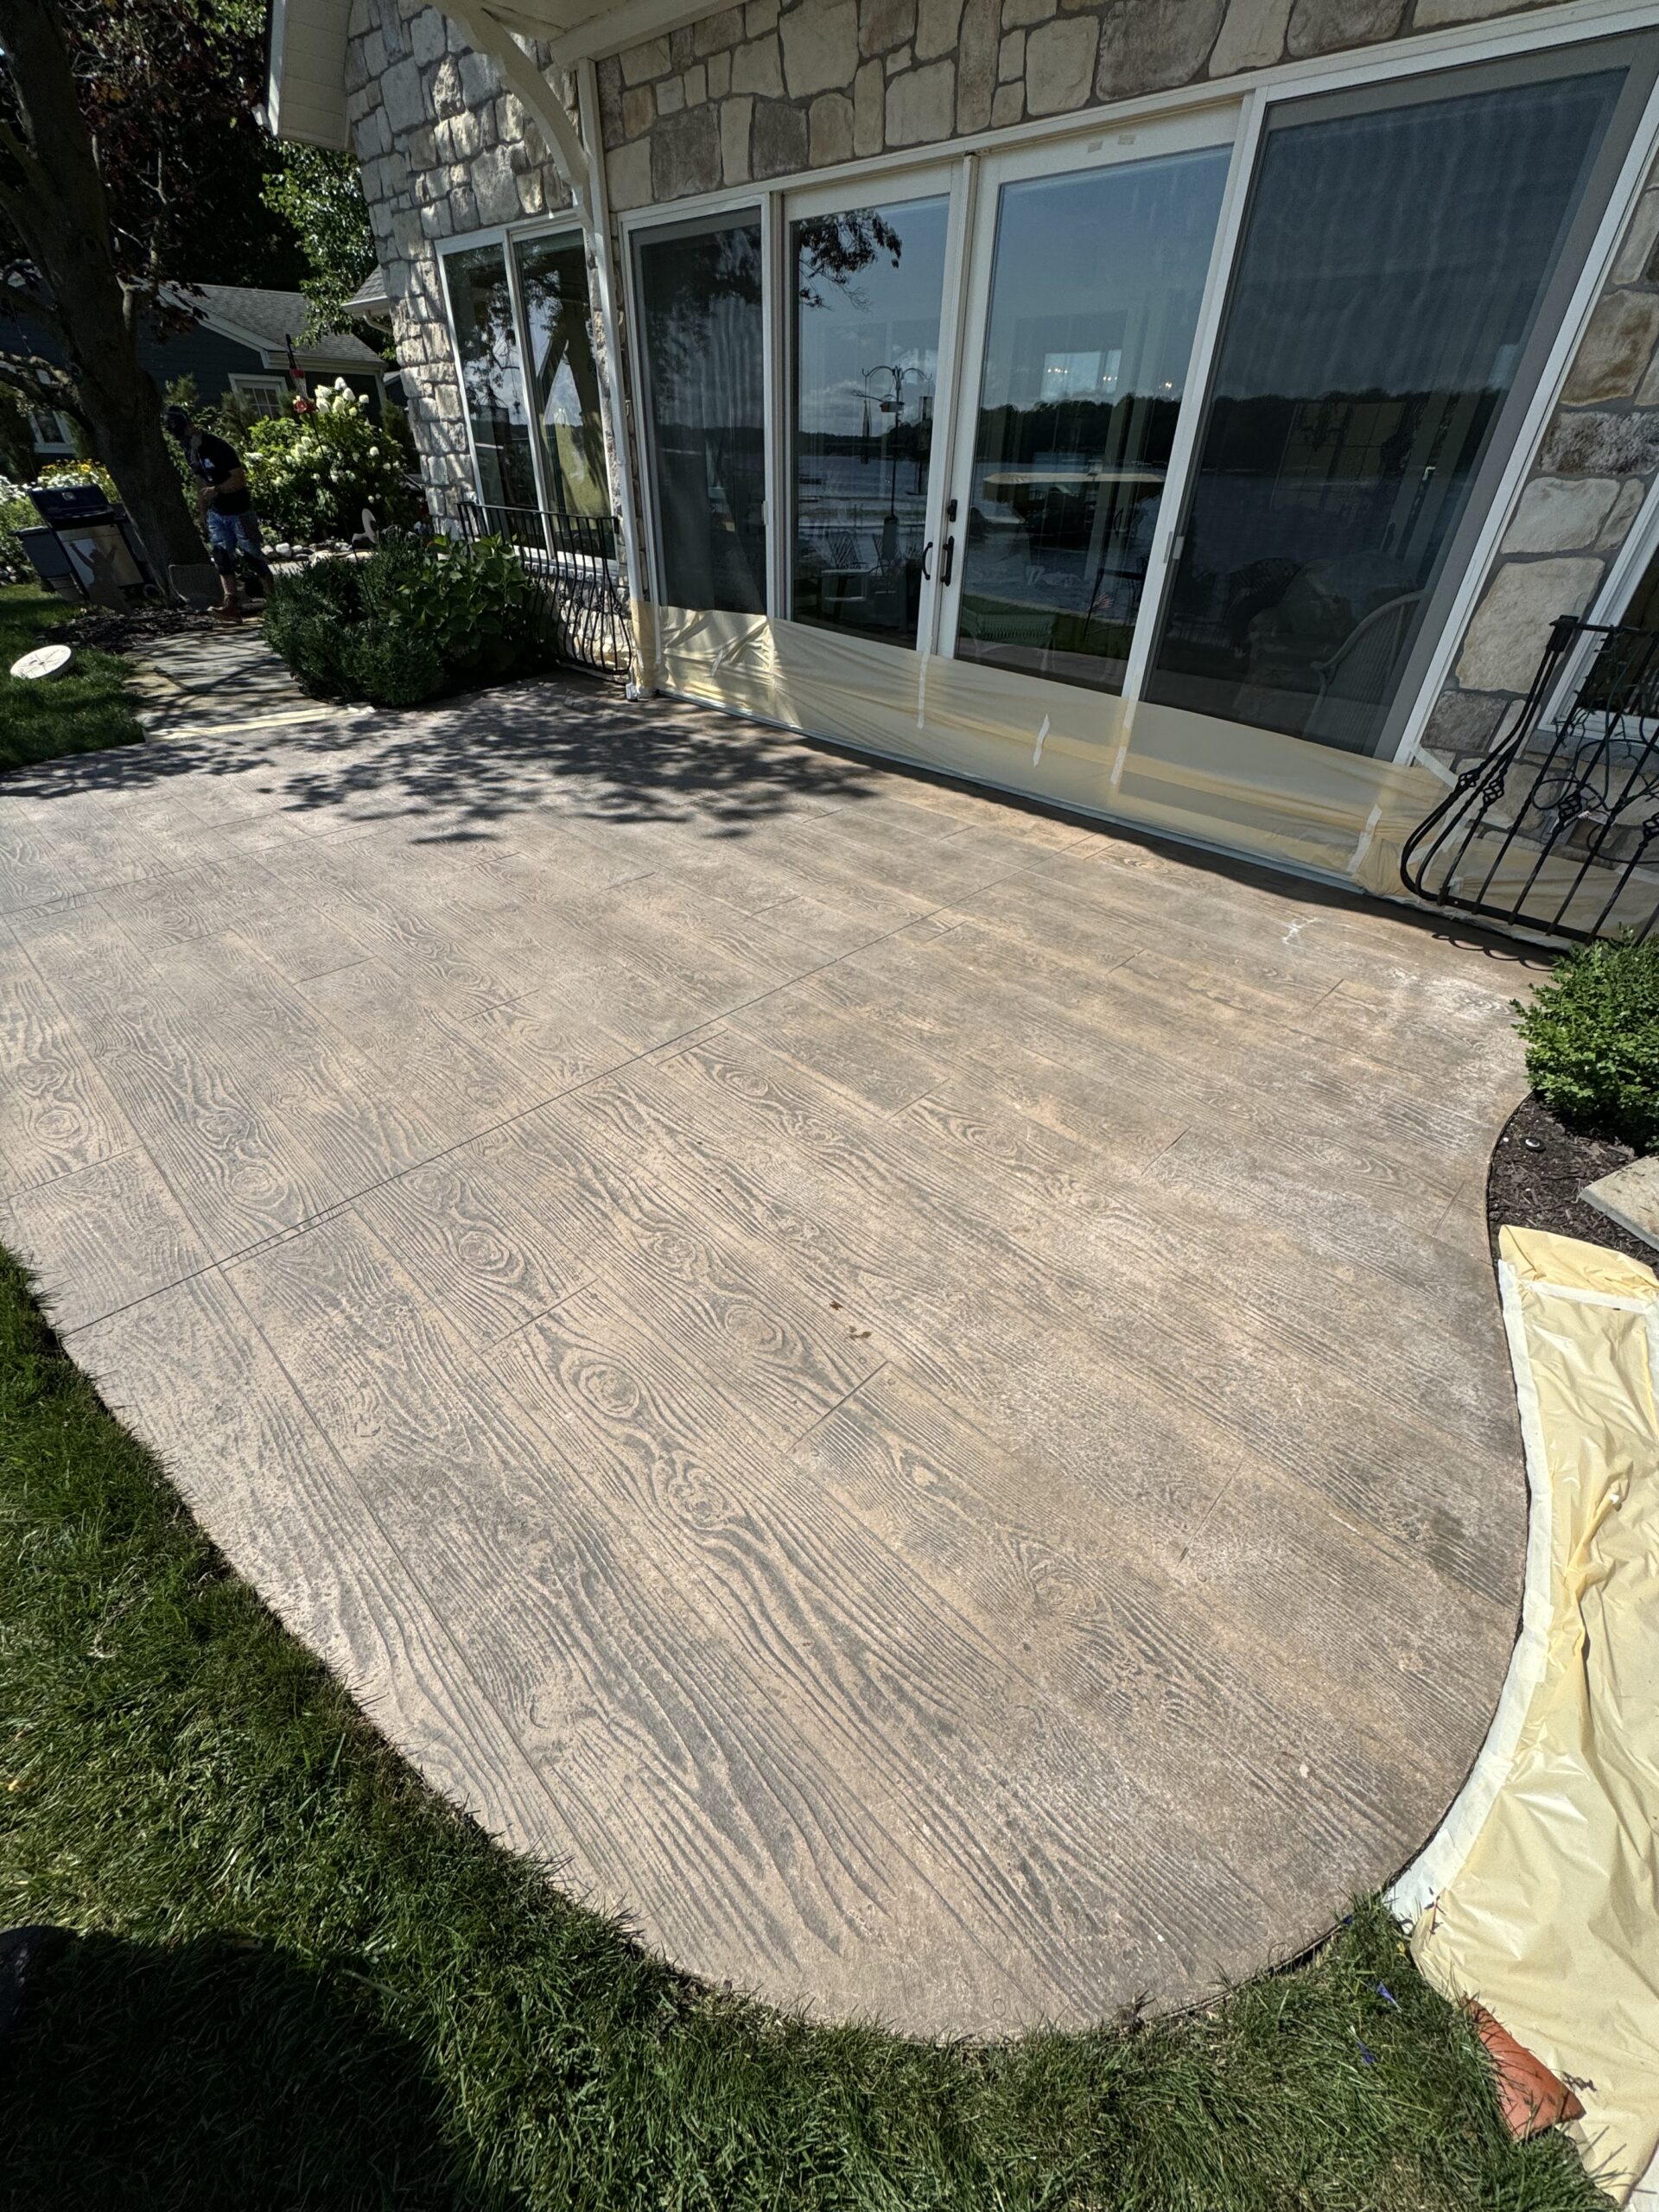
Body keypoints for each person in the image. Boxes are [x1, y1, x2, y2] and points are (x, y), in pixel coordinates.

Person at [162, 404, 274, 620]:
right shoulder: (190, 451)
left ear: (191, 426)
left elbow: (239, 479)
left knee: (252, 555)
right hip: (218, 513)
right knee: (221, 556)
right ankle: (230, 604)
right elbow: (200, 482)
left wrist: (218, 489)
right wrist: (202, 511)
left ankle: (274, 598)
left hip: (240, 511)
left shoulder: (218, 447)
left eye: (184, 434)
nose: (183, 440)